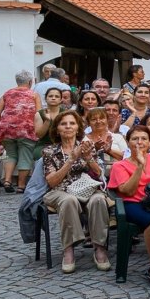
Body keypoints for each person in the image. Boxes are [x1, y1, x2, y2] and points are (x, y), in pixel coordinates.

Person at [41, 110, 112, 274]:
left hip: (86, 188)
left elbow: (98, 174)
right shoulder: (49, 151)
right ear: (57, 129)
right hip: (59, 191)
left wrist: (88, 157)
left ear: (78, 128)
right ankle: (69, 249)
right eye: (63, 124)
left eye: (72, 123)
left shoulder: (87, 145)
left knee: (98, 200)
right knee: (69, 201)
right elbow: (51, 181)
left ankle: (99, 247)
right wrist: (71, 159)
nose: (68, 127)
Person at [107, 124, 150, 286]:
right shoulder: (119, 165)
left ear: (149, 142)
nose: (139, 142)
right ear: (128, 142)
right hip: (133, 204)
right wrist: (140, 167)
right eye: (135, 139)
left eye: (144, 138)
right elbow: (127, 191)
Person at [0, 70, 39, 193]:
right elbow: (39, 114)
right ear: (30, 82)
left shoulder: (7, 93)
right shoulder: (33, 94)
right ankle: (21, 185)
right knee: (25, 155)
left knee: (11, 154)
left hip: (8, 129)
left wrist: (1, 124)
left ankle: (7, 181)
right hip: (27, 130)